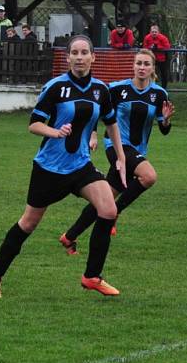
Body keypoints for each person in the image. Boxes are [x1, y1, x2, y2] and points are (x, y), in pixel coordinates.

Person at [0, 35, 127, 300]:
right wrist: (55, 131)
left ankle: (92, 277)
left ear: (93, 57)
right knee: (28, 223)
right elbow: (33, 124)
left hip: (80, 164)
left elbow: (111, 123)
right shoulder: (55, 87)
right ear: (68, 58)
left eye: (85, 52)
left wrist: (121, 157)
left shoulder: (100, 90)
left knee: (108, 209)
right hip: (49, 168)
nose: (80, 57)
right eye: (75, 52)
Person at [60, 49, 173, 255]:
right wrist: (93, 135)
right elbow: (96, 112)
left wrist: (165, 120)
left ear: (152, 68)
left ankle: (69, 236)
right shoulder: (116, 89)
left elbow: (164, 130)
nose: (142, 67)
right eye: (138, 63)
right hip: (115, 146)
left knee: (105, 200)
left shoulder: (159, 94)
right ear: (133, 65)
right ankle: (116, 213)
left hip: (137, 150)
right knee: (149, 176)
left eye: (146, 64)